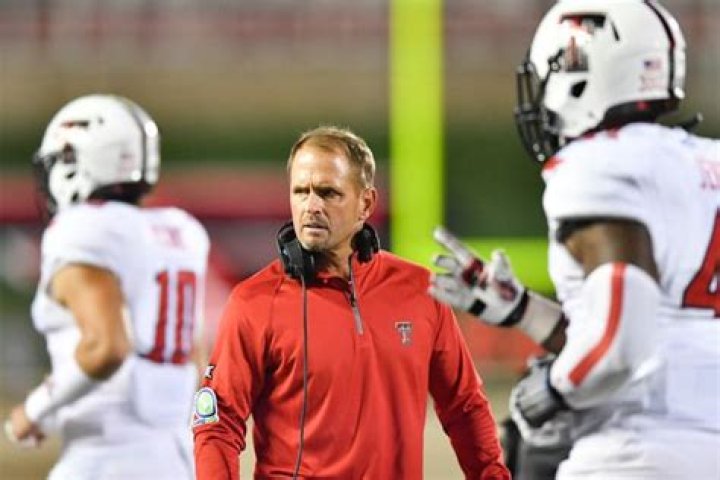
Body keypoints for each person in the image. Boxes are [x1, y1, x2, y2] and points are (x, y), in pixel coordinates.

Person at [430, 1, 720, 479]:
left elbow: (623, 343)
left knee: (528, 443)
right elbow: (659, 329)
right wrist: (523, 310)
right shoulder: (704, 162)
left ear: (581, 77)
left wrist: (553, 390)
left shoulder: (596, 165)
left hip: (639, 452)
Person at [192, 126, 511, 479]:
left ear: (366, 204)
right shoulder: (255, 302)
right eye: (301, 191)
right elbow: (218, 424)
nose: (312, 206)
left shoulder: (421, 291)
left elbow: (464, 407)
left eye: (328, 193)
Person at [3, 94, 210, 479]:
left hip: (108, 457)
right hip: (178, 454)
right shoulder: (181, 231)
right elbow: (193, 358)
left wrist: (34, 410)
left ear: (77, 161)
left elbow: (107, 346)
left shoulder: (82, 229)